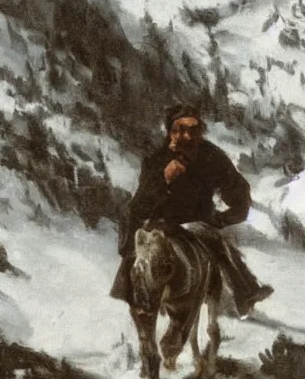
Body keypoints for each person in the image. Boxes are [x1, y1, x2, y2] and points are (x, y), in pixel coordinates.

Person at [110, 103, 273, 317]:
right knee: (138, 258)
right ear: (170, 132)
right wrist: (163, 179)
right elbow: (139, 206)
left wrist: (225, 218)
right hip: (159, 224)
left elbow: (237, 188)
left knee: (220, 247)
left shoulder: (211, 156)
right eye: (179, 129)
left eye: (193, 130)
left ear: (200, 132)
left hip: (197, 223)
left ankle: (245, 294)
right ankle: (132, 301)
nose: (186, 136)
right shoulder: (156, 160)